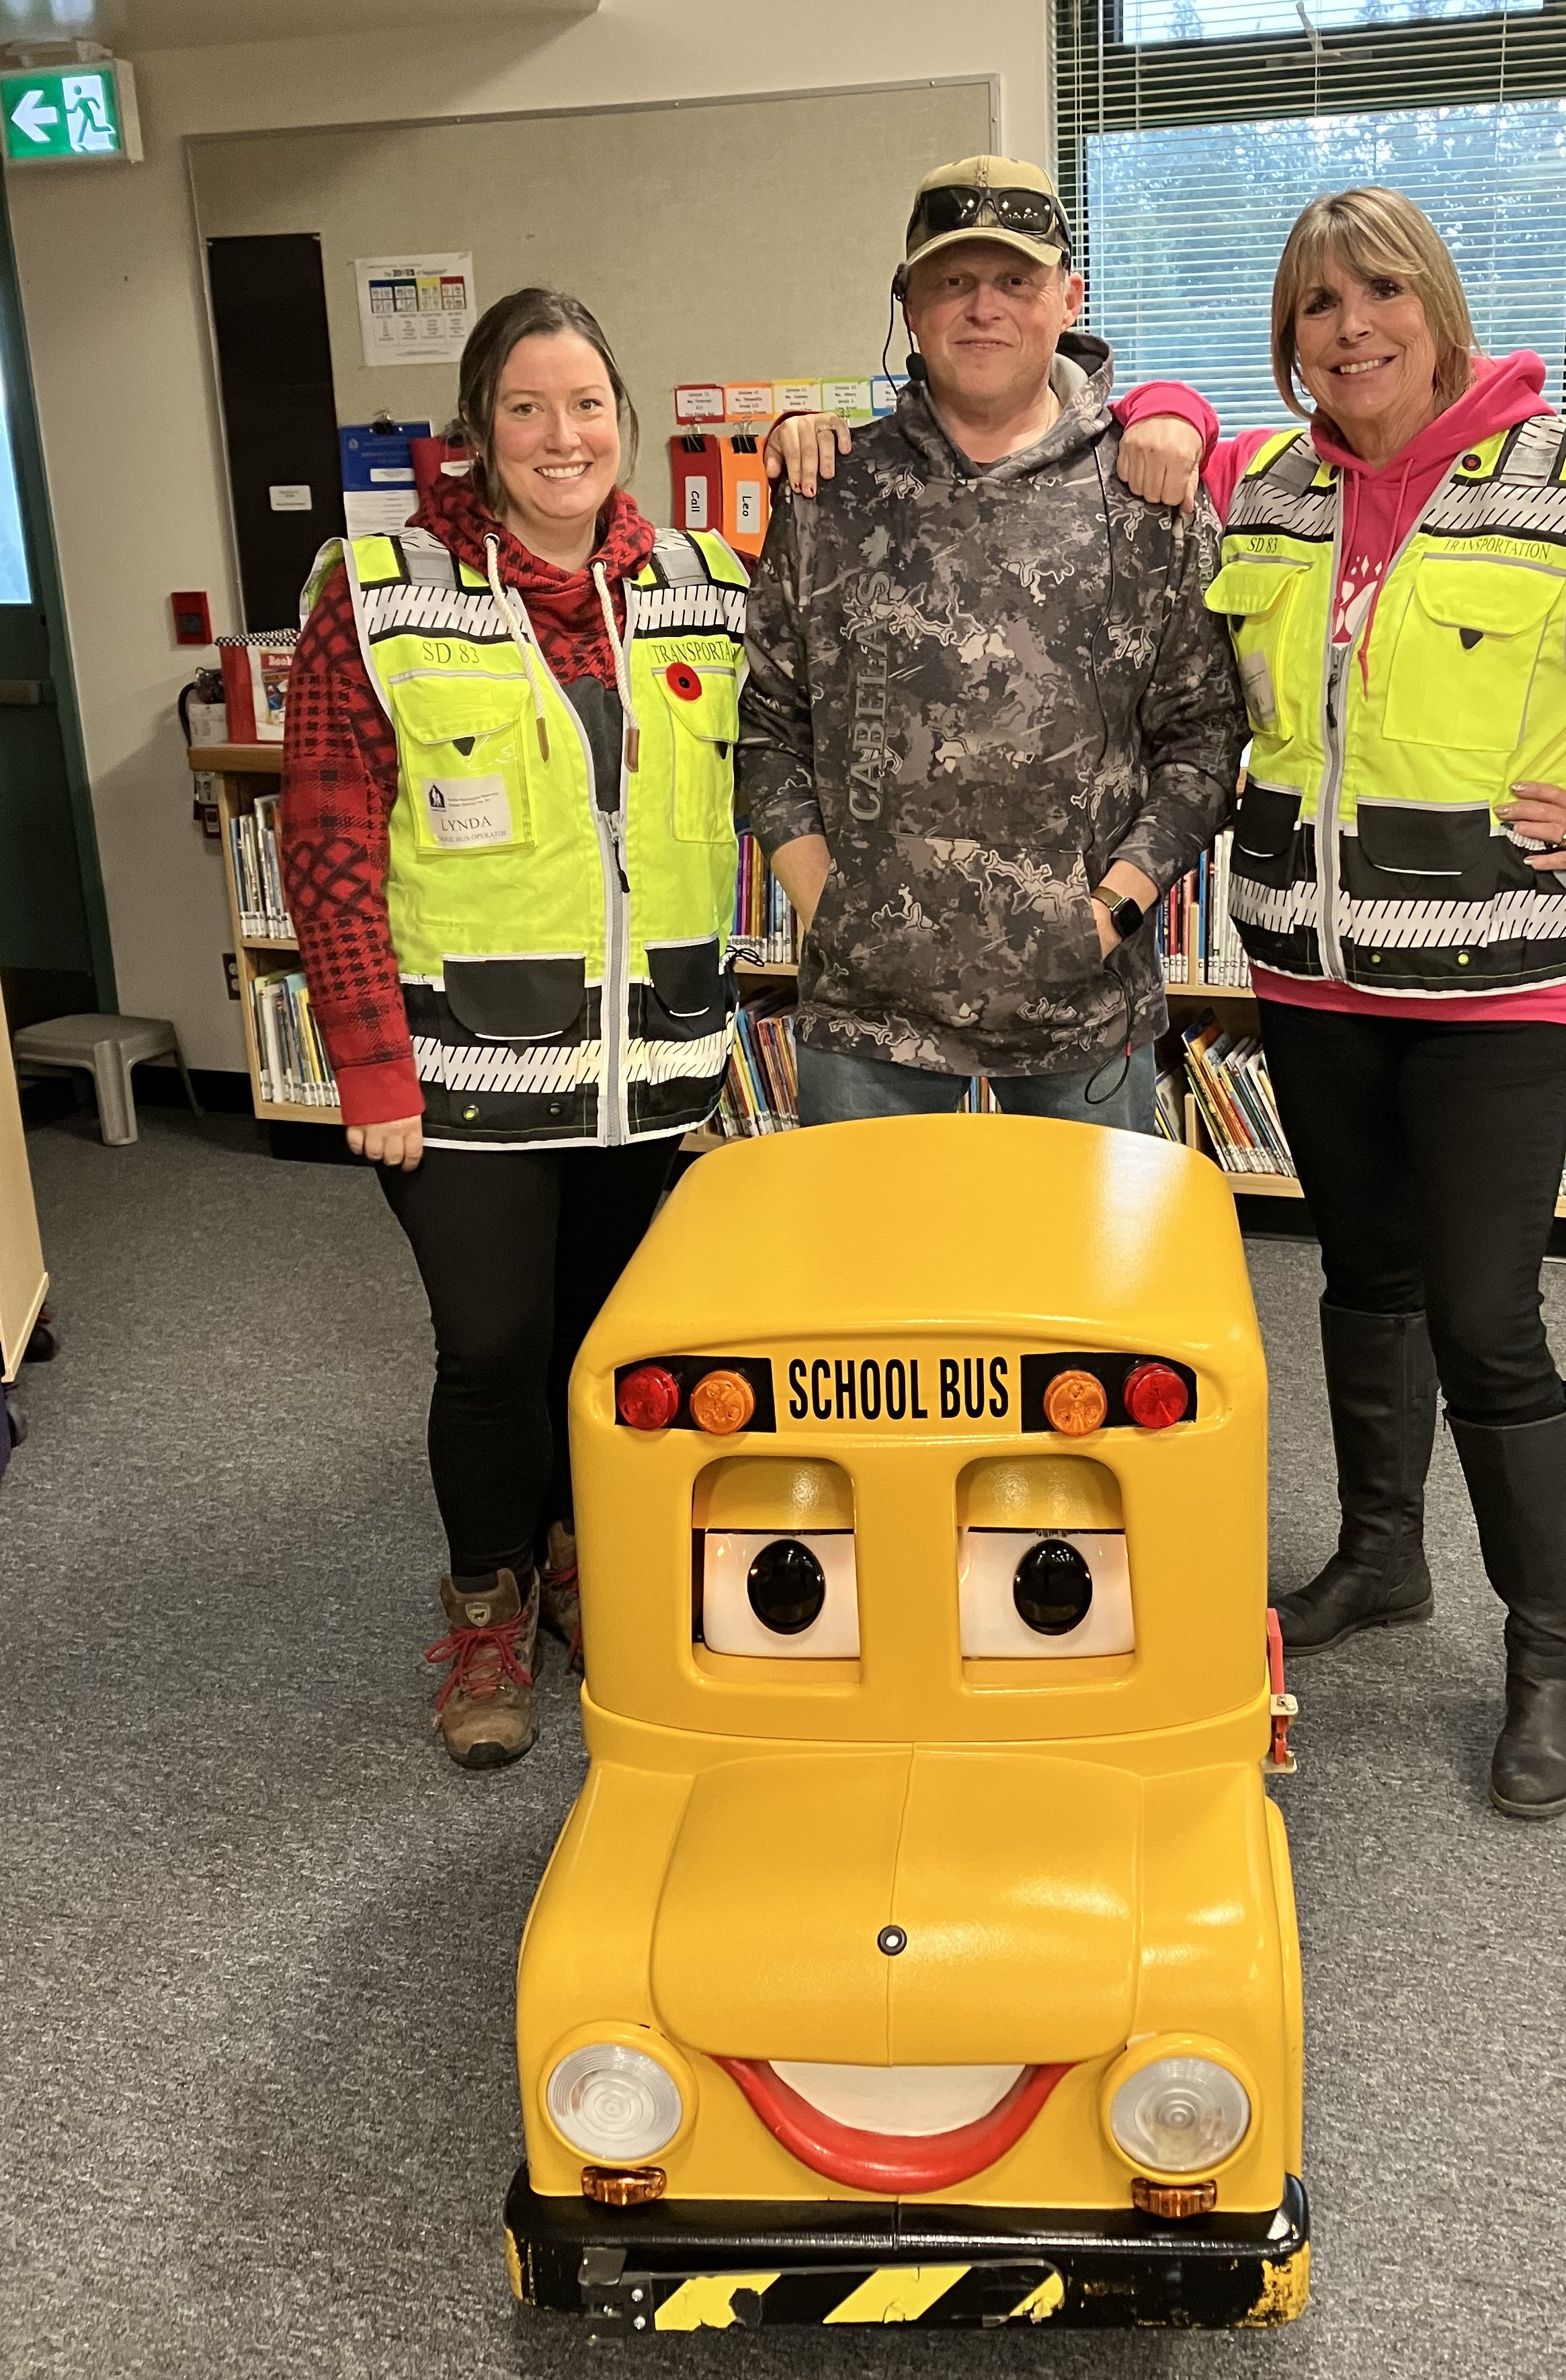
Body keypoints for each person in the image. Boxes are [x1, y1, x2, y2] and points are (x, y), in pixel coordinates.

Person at [1099, 187, 1566, 1820]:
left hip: (1496, 982)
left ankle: (1549, 1650)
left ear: (1435, 307)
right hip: (1310, 970)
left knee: (1488, 1319)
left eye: (1379, 291)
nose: (1350, 326)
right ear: (1289, 339)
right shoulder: (1267, 486)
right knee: (1362, 1275)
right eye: (1315, 304)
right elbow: (1142, 425)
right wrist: (1165, 401)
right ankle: (1382, 1556)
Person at [280, 288, 749, 1770]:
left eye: (588, 404)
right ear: (479, 431)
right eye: (528, 407)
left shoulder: (705, 583)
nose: (563, 435)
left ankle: (573, 1555)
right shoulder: (376, 591)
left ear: (626, 421)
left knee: (601, 1345)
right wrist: (367, 1060)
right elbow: (328, 836)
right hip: (456, 1069)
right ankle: (487, 1601)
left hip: (647, 1066)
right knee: (492, 1347)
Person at [739, 156, 1242, 1130]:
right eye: (953, 281)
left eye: (1015, 280)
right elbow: (768, 726)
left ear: (1068, 300)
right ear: (908, 305)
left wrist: (1110, 915)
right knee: (872, 1239)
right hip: (869, 1021)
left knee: (1086, 1240)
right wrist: (827, 906)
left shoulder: (1150, 496)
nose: (983, 308)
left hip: (1084, 1010)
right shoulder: (829, 492)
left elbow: (1204, 739)